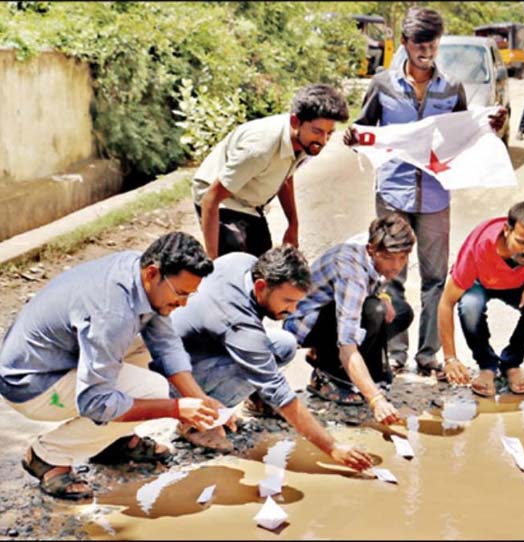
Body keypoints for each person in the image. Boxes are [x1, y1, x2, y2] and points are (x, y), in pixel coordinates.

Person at [343, 7, 506, 376]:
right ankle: (395, 351)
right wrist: (353, 138)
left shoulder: (451, 89)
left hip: (435, 195)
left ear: (438, 44)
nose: (426, 51)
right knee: (389, 273)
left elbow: (465, 133)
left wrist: (489, 126)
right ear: (405, 44)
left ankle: (428, 353)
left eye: (432, 43)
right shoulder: (383, 85)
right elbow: (363, 130)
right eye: (419, 43)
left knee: (434, 278)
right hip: (392, 193)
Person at [0, 232, 221, 500]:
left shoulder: (136, 271)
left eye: (190, 295)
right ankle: (48, 456)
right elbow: (96, 402)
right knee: (153, 390)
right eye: (180, 293)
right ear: (153, 273)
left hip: (52, 360)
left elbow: (165, 344)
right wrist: (176, 409)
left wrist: (199, 399)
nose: (183, 303)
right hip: (31, 385)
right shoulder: (112, 312)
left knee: (143, 347)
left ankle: (111, 442)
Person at [169, 246, 373, 469]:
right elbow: (277, 388)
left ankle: (256, 402)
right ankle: (195, 422)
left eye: (297, 302)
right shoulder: (238, 322)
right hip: (174, 377)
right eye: (287, 301)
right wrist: (332, 447)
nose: (293, 310)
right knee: (259, 363)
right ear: (260, 286)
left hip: (195, 349)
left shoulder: (243, 261)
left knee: (284, 344)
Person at [284, 214, 415, 425]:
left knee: (401, 312)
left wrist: (384, 295)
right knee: (374, 311)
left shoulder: (373, 242)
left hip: (334, 312)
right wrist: (376, 399)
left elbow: (374, 284)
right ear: (372, 250)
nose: (396, 266)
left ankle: (335, 362)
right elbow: (347, 341)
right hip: (303, 323)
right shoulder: (351, 272)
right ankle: (330, 376)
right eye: (389, 258)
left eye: (402, 258)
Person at [193, 84, 349, 259]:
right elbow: (211, 199)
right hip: (220, 198)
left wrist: (293, 225)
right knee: (234, 257)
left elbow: (284, 177)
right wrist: (214, 263)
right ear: (295, 122)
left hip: (250, 202)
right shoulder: (259, 149)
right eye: (317, 132)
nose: (323, 140)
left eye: (330, 133)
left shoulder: (303, 141)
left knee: (263, 261)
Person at [438, 200, 524, 397]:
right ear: (507, 230)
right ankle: (486, 365)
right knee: (470, 306)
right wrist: (450, 358)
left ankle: (511, 363)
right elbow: (446, 303)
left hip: (518, 282)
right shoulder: (479, 248)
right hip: (478, 281)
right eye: (521, 242)